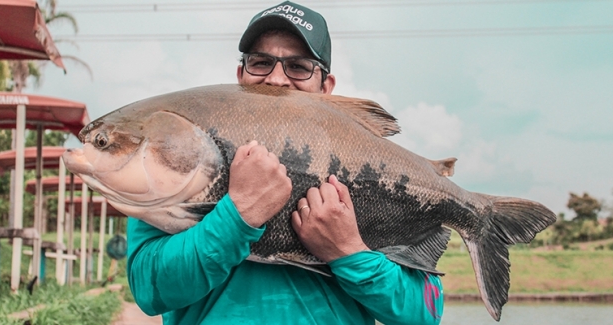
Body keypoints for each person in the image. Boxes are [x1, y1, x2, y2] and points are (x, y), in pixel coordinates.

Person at [127, 1, 444, 324]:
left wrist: (348, 251)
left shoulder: (375, 175)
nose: (277, 79)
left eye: (298, 67)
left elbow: (425, 313)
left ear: (327, 88)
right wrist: (236, 218)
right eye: (261, 62)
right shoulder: (184, 165)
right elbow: (149, 290)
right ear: (240, 76)